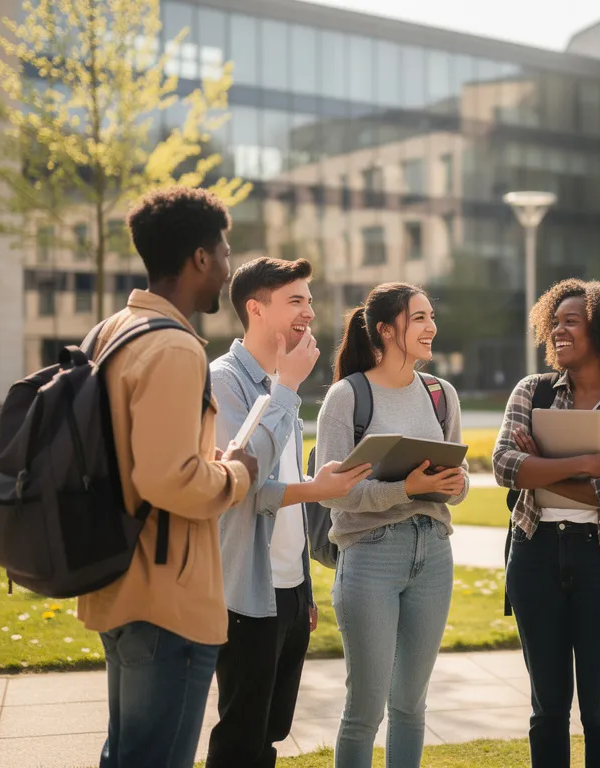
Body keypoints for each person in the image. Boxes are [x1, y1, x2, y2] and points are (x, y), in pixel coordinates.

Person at [75, 186, 267, 768]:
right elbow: (167, 478)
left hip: (115, 577)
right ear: (201, 258)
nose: (229, 265)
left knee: (128, 755)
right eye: (226, 251)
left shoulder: (111, 332)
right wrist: (237, 472)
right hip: (166, 599)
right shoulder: (176, 348)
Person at [205, 257, 372, 768]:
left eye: (310, 300)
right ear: (256, 309)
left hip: (288, 592)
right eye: (295, 301)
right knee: (241, 734)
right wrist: (287, 391)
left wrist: (302, 587)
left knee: (271, 732)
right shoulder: (223, 380)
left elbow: (287, 485)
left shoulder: (283, 381)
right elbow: (244, 486)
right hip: (243, 590)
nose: (309, 312)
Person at [493, 279, 600, 768]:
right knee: (547, 708)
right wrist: (585, 463)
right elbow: (504, 467)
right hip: (535, 553)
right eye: (555, 322)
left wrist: (539, 465)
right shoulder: (532, 391)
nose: (558, 332)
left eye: (572, 322)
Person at [313, 283, 469, 768]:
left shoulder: (441, 395)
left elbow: (459, 487)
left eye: (430, 316)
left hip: (433, 552)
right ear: (385, 329)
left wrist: (448, 483)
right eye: (418, 318)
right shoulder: (347, 397)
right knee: (365, 708)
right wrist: (406, 488)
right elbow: (335, 493)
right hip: (369, 555)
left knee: (410, 704)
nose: (431, 327)